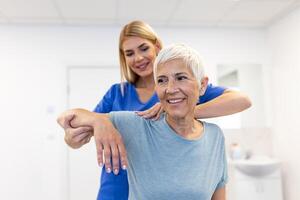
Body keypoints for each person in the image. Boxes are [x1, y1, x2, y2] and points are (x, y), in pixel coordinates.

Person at [60, 21, 250, 200]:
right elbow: (72, 130)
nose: (139, 58)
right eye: (130, 53)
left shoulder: (183, 90)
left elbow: (242, 100)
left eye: (143, 48)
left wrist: (183, 111)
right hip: (116, 187)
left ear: (157, 47)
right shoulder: (118, 93)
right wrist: (98, 121)